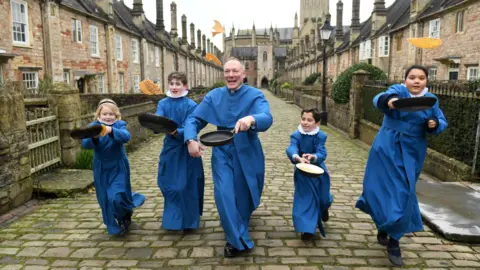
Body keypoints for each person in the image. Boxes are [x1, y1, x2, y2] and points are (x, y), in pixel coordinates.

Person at [355, 65, 448, 266]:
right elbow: (379, 99)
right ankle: (384, 224)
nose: (416, 81)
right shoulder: (398, 91)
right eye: (412, 77)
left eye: (421, 78)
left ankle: (394, 239)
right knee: (378, 188)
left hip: (413, 150)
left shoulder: (431, 100)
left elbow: (440, 120)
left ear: (426, 81)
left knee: (404, 192)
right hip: (387, 147)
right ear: (404, 80)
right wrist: (390, 101)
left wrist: (434, 123)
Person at [183, 58, 273, 257]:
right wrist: (190, 138)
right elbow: (194, 119)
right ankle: (236, 239)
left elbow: (267, 117)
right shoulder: (214, 95)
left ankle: (241, 221)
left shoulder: (255, 95)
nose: (231, 75)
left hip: (248, 149)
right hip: (222, 149)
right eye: (227, 71)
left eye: (235, 71)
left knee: (244, 193)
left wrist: (251, 119)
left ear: (243, 74)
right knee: (224, 193)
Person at [82, 99, 146, 236]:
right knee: (105, 198)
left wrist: (110, 130)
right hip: (101, 168)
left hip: (118, 166)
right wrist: (93, 137)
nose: (108, 117)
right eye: (105, 114)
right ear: (99, 114)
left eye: (112, 114)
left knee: (116, 196)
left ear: (116, 116)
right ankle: (115, 223)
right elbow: (86, 144)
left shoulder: (119, 125)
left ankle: (124, 215)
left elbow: (126, 137)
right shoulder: (94, 126)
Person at [155, 72, 205, 232]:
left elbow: (192, 125)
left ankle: (189, 221)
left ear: (185, 86)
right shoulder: (163, 103)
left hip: (187, 149)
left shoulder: (191, 105)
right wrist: (156, 124)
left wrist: (175, 131)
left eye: (178, 84)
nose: (174, 87)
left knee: (186, 185)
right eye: (172, 83)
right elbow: (158, 121)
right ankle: (173, 220)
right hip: (170, 149)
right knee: (167, 183)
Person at [286, 108, 333, 241]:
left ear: (317, 123)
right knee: (304, 199)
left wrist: (313, 156)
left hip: (318, 172)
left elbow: (322, 153)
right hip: (302, 172)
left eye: (309, 120)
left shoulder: (320, 136)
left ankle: (325, 207)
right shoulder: (296, 135)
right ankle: (307, 229)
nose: (305, 122)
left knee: (323, 198)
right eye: (303, 119)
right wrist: (297, 157)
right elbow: (292, 148)